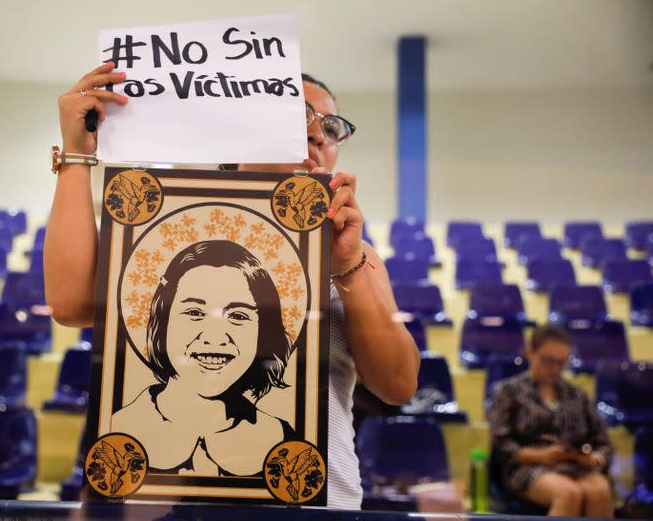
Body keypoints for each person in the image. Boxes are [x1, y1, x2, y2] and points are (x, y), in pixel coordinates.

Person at [45, 62, 420, 509]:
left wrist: (348, 267)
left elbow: (398, 385)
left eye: (331, 127)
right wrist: (76, 155)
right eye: (296, 115)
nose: (318, 135)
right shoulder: (166, 233)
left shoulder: (356, 253)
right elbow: (70, 305)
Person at [110, 240, 295, 476]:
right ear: (162, 321)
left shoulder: (283, 442)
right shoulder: (116, 429)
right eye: (195, 313)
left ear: (263, 332)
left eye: (238, 315)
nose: (215, 337)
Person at [489, 324, 614, 518]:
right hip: (526, 466)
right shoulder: (508, 392)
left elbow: (603, 442)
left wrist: (593, 459)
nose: (555, 368)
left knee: (600, 490)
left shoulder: (576, 394)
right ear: (531, 352)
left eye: (561, 362)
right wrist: (541, 455)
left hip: (575, 466)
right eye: (548, 361)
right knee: (568, 493)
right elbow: (501, 444)